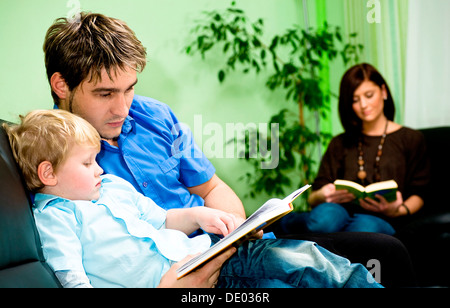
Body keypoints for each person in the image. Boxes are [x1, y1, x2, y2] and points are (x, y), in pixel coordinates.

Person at [42, 12, 415, 287]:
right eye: (105, 94)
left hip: (222, 244)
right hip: (182, 272)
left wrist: (237, 227)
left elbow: (212, 189)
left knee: (384, 253)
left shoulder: (153, 115)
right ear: (62, 84)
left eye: (130, 88)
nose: (123, 108)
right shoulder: (54, 159)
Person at [4, 109, 382, 288]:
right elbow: (73, 281)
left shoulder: (112, 188)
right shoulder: (54, 219)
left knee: (306, 259)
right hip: (183, 283)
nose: (100, 169)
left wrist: (202, 215)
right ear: (48, 174)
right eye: (88, 163)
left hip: (206, 254)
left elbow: (163, 220)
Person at [278, 63, 430, 236]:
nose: (363, 105)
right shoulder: (340, 142)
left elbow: (420, 193)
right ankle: (281, 222)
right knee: (324, 220)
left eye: (369, 95)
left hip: (385, 217)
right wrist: (324, 195)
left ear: (383, 92)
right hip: (338, 212)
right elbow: (314, 197)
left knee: (364, 229)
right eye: (355, 100)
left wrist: (399, 210)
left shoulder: (411, 138)